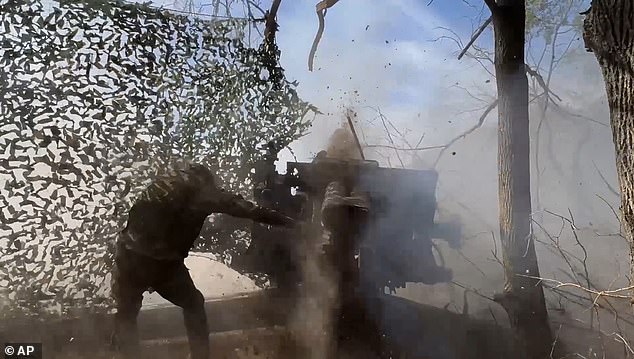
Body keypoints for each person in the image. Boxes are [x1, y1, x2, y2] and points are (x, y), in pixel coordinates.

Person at [110, 162, 296, 359]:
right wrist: (291, 223)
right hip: (160, 263)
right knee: (194, 304)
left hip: (126, 255)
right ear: (206, 178)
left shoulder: (162, 182)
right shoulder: (201, 190)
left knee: (126, 315)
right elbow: (248, 210)